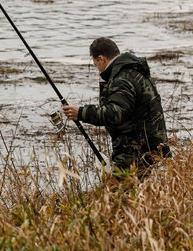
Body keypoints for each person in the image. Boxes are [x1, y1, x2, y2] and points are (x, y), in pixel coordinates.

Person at [61, 37, 170, 176]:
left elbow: (115, 113)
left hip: (136, 152)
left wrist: (81, 113)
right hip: (151, 147)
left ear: (101, 59)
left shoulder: (121, 78)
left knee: (117, 195)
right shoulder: (133, 70)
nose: (98, 70)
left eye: (95, 65)